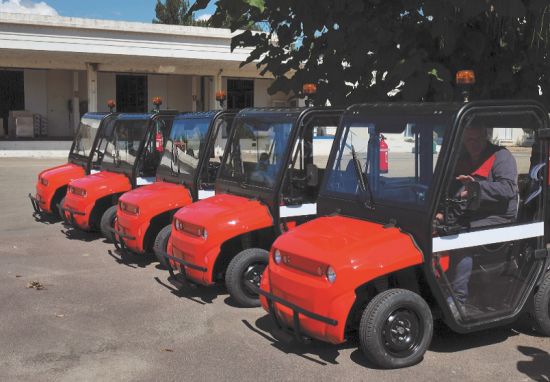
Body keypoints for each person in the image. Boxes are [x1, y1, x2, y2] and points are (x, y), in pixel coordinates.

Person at [440, 121, 518, 310]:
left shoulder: (501, 156)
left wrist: (477, 186)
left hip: (499, 215)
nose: (474, 143)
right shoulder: (463, 157)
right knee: (437, 228)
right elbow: (449, 187)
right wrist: (441, 211)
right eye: (469, 139)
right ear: (464, 141)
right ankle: (439, 288)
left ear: (486, 137)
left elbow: (509, 188)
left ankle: (458, 301)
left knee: (461, 239)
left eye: (478, 139)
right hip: (472, 212)